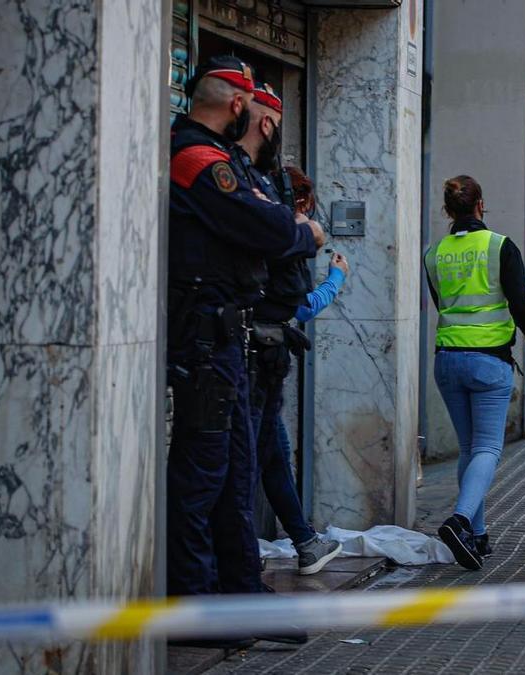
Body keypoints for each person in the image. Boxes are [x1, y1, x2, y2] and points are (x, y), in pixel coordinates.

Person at [166, 55, 324, 645]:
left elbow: (269, 220)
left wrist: (285, 225)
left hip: (225, 338)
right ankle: (195, 608)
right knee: (203, 476)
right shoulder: (197, 158)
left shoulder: (219, 158)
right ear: (237, 106)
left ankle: (240, 600)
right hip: (205, 340)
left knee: (234, 475)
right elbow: (269, 230)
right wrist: (298, 231)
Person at [234, 84, 344, 577]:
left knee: (267, 451)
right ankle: (254, 552)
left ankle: (300, 540)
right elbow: (296, 303)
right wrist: (336, 279)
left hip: (257, 348)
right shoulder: (279, 224)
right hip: (258, 346)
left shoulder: (264, 211)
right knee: (252, 454)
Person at [425, 175, 525, 571]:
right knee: (487, 449)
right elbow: (520, 304)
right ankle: (460, 520)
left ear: (449, 210)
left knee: (470, 450)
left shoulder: (434, 253)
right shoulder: (499, 246)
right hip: (489, 361)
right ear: (480, 204)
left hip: (447, 358)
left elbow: (441, 302)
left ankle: (477, 536)